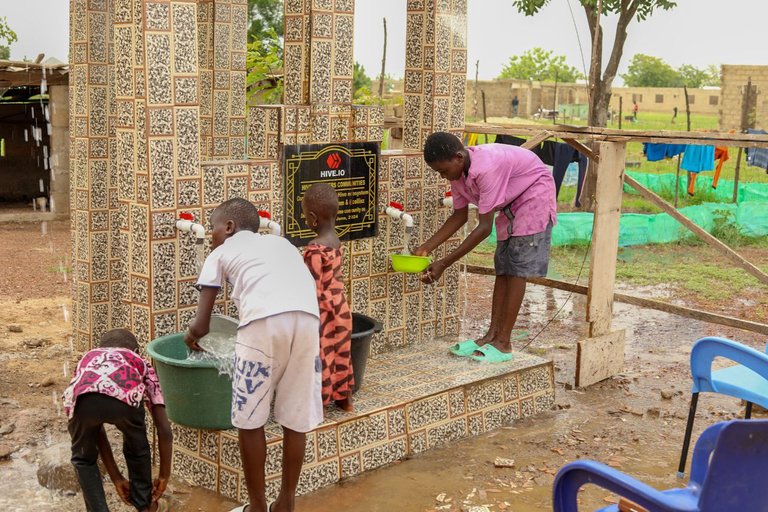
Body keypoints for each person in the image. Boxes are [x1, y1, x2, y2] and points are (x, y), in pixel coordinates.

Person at [185, 197, 322, 512]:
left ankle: (257, 508)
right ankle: (285, 504)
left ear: (229, 227)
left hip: (262, 323)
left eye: (213, 229)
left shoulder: (220, 252)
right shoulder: (283, 245)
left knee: (250, 419)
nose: (210, 236)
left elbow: (203, 324)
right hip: (308, 322)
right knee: (295, 418)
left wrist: (191, 336)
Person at [414, 132, 557, 363]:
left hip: (534, 196)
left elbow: (483, 229)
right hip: (511, 203)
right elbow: (459, 216)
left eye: (443, 171)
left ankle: (504, 343)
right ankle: (491, 335)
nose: (442, 176)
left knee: (517, 269)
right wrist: (427, 247)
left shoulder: (486, 168)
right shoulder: (458, 175)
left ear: (458, 158)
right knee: (502, 267)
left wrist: (444, 263)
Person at [63, 328, 173, 512]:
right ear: (135, 351)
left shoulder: (88, 358)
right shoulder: (139, 361)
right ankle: (145, 506)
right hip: (125, 401)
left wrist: (117, 479)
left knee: (83, 460)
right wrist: (163, 476)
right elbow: (165, 431)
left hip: (81, 401)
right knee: (137, 449)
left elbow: (95, 431)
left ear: (100, 348)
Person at [301, 183, 354, 412]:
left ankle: (320, 403)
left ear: (313, 218)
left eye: (304, 217)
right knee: (342, 353)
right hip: (341, 307)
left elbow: (312, 285)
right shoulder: (336, 241)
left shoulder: (314, 249)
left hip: (322, 310)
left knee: (322, 355)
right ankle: (345, 400)